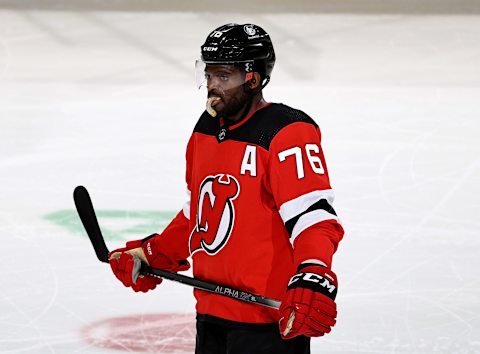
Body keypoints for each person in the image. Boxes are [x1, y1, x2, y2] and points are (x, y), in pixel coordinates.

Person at [109, 23, 344, 354]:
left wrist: (313, 272)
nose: (212, 87)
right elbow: (198, 216)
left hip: (267, 324)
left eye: (224, 77)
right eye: (208, 75)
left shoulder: (287, 131)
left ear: (253, 78)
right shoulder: (204, 130)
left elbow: (313, 218)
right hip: (210, 316)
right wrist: (155, 253)